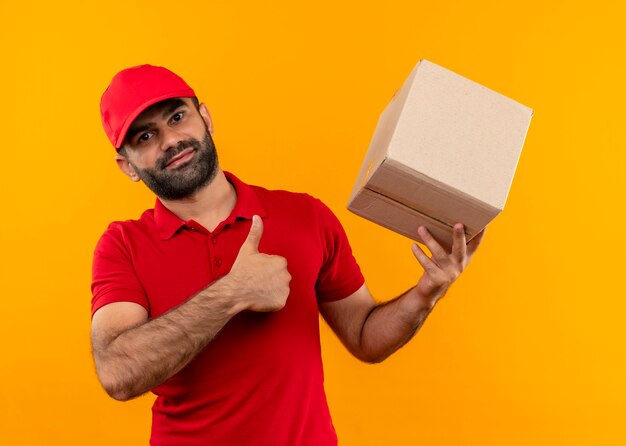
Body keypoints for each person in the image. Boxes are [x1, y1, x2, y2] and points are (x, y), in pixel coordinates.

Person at [91, 64, 486, 446]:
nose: (171, 141)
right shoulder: (123, 245)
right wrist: (231, 293)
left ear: (205, 117)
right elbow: (117, 371)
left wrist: (427, 292)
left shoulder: (305, 216)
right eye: (145, 137)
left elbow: (366, 337)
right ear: (127, 166)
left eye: (177, 116)